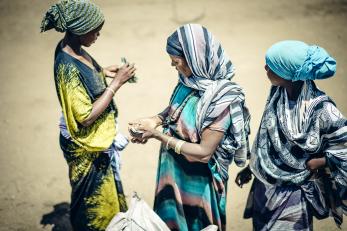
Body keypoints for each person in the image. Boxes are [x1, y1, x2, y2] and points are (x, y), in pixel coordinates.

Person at [129, 24, 250, 231]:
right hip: (174, 173)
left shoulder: (222, 99)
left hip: (200, 182)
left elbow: (204, 153)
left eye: (176, 62)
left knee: (198, 225)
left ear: (195, 58)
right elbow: (177, 109)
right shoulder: (189, 80)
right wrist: (155, 120)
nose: (172, 66)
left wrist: (157, 135)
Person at [41, 1, 136, 230]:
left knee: (104, 197)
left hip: (96, 145)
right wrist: (115, 84)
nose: (98, 34)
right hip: (84, 147)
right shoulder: (66, 67)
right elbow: (85, 117)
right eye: (95, 30)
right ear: (80, 31)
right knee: (91, 204)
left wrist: (103, 72)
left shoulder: (72, 49)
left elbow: (86, 75)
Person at [235, 40, 347, 230]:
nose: (265, 68)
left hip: (294, 193)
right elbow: (266, 135)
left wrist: (321, 162)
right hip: (265, 187)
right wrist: (252, 167)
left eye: (271, 66)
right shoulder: (278, 94)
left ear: (290, 75)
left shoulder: (323, 109)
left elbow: (344, 146)